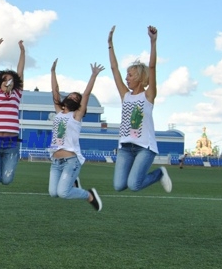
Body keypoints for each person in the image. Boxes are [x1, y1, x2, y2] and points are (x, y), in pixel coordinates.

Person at [108, 25, 172, 193]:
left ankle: (159, 173)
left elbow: (152, 67)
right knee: (119, 185)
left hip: (145, 147)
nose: (126, 78)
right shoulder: (125, 95)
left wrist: (153, 42)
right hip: (125, 147)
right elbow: (114, 69)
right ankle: (148, 174)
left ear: (139, 77)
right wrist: (110, 44)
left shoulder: (148, 96)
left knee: (133, 185)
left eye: (130, 75)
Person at [48, 59, 104, 211]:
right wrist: (53, 72)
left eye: (76, 98)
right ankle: (73, 182)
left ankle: (89, 195)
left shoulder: (76, 116)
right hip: (56, 161)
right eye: (71, 96)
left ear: (78, 104)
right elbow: (55, 91)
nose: (73, 98)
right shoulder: (59, 112)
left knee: (63, 193)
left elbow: (86, 94)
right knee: (53, 193)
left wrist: (93, 75)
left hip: (71, 161)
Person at [0, 38, 25, 185]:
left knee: (7, 180)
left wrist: (22, 51)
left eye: (11, 80)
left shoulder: (17, 94)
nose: (8, 82)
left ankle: (4, 163)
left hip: (12, 143)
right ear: (0, 81)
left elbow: (20, 71)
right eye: (5, 79)